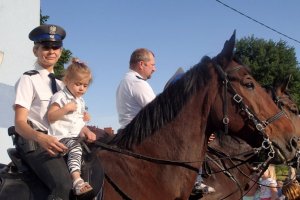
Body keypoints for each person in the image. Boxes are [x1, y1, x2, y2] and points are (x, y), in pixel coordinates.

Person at [13, 24, 72, 199]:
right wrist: (41, 138)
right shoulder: (28, 79)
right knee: (63, 185)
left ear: (60, 51)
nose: (51, 51)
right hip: (36, 143)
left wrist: (84, 129)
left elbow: (66, 118)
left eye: (56, 47)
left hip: (61, 141)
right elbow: (19, 123)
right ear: (35, 51)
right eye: (46, 47)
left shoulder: (63, 84)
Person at [47, 58, 96, 196]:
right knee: (75, 147)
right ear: (67, 80)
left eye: (85, 85)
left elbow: (78, 124)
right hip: (60, 137)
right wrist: (65, 109)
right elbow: (51, 117)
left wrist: (87, 130)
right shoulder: (60, 96)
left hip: (75, 137)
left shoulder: (80, 101)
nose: (81, 88)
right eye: (78, 84)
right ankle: (77, 181)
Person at [116, 48, 156, 129]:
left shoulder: (125, 81)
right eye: (152, 65)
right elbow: (158, 111)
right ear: (141, 64)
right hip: (140, 135)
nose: (154, 69)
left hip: (128, 132)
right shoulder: (137, 82)